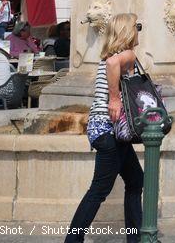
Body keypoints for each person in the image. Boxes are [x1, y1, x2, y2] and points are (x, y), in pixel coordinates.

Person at [64, 13, 143, 243]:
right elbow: (112, 65)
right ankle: (73, 240)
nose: (139, 30)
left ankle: (134, 238)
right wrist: (115, 98)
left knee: (136, 180)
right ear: (128, 31)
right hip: (109, 131)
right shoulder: (125, 55)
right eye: (137, 26)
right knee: (99, 190)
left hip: (110, 131)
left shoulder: (114, 55)